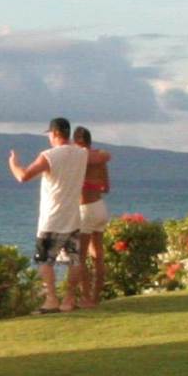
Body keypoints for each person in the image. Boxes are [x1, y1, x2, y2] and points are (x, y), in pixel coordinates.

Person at [7, 118, 93, 313]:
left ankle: (52, 299)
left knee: (45, 261)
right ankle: (69, 299)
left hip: (52, 218)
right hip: (72, 218)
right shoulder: (81, 154)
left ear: (54, 134)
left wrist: (14, 163)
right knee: (74, 260)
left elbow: (23, 176)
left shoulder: (49, 156)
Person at [72, 125, 112, 309]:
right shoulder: (100, 159)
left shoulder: (79, 158)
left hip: (85, 208)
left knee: (80, 257)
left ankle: (86, 298)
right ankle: (96, 298)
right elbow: (106, 187)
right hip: (100, 207)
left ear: (77, 141)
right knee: (98, 255)